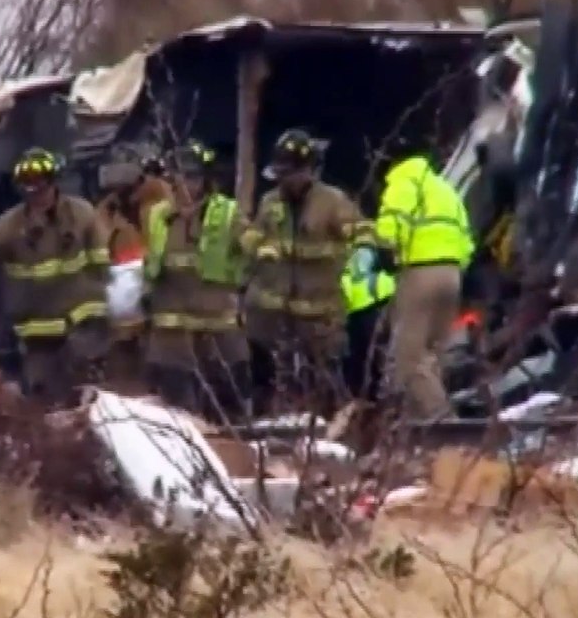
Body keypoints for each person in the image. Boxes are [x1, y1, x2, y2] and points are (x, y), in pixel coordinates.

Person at [0, 147, 112, 408]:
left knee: (87, 399)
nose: (37, 196)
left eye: (41, 187)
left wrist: (100, 304)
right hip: (38, 332)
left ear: (54, 183)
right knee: (42, 398)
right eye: (29, 188)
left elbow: (101, 263)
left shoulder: (81, 214)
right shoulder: (11, 224)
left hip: (80, 327)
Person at [241, 129, 378, 416]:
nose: (283, 181)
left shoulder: (332, 202)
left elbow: (363, 231)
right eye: (280, 174)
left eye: (289, 174)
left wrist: (363, 251)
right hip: (274, 318)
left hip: (320, 319)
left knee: (325, 387)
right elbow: (251, 234)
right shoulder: (270, 202)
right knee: (271, 386)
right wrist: (257, 247)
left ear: (308, 171)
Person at [142, 139, 252, 423]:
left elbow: (254, 248)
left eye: (191, 176)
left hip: (218, 334)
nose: (182, 185)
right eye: (176, 178)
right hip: (172, 338)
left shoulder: (227, 213)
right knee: (175, 418)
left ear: (206, 180)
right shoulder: (158, 216)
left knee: (228, 416)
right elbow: (152, 263)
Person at [374, 155, 475, 421]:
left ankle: (446, 425)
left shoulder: (404, 181)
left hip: (420, 272)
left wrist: (384, 253)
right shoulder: (445, 190)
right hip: (452, 275)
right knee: (433, 357)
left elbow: (392, 224)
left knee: (408, 359)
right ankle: (418, 429)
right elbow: (467, 239)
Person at [94, 145, 174, 392]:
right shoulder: (106, 212)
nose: (117, 190)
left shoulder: (166, 203)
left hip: (166, 303)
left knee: (166, 371)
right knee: (123, 372)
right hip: (123, 314)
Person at [340, 254, 397, 401]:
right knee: (372, 356)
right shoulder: (370, 253)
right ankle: (372, 394)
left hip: (359, 310)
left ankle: (364, 395)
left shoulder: (355, 255)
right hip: (373, 306)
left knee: (361, 356)